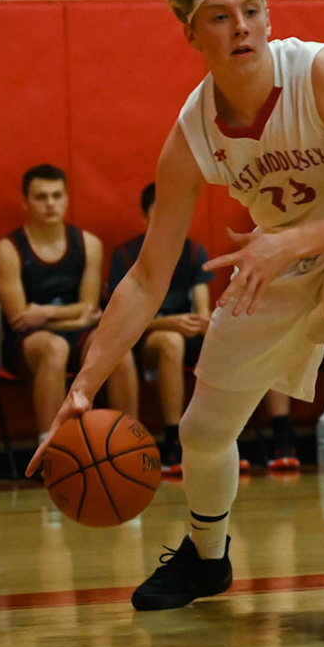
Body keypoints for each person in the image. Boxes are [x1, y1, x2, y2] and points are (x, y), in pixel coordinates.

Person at [29, 0, 324, 629]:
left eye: (251, 10)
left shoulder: (320, 70)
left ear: (269, 19)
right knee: (204, 430)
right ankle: (207, 557)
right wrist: (83, 386)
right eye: (220, 17)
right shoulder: (192, 136)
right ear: (192, 34)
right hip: (277, 260)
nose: (240, 26)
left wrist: (290, 241)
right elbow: (147, 277)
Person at [0, 164, 109, 447]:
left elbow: (89, 307)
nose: (50, 204)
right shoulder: (7, 250)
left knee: (114, 348)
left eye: (57, 195)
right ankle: (50, 445)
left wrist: (46, 313)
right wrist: (77, 318)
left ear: (67, 199)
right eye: (41, 197)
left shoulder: (89, 244)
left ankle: (127, 440)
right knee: (54, 348)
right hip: (26, 342)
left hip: (73, 332)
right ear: (25, 202)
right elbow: (19, 319)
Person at [104, 182, 212, 476]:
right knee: (170, 341)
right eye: (159, 211)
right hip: (142, 340)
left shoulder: (194, 253)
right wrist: (166, 322)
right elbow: (120, 321)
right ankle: (171, 439)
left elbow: (203, 310)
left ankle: (219, 441)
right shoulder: (127, 256)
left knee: (225, 339)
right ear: (145, 217)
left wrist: (203, 322)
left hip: (185, 335)